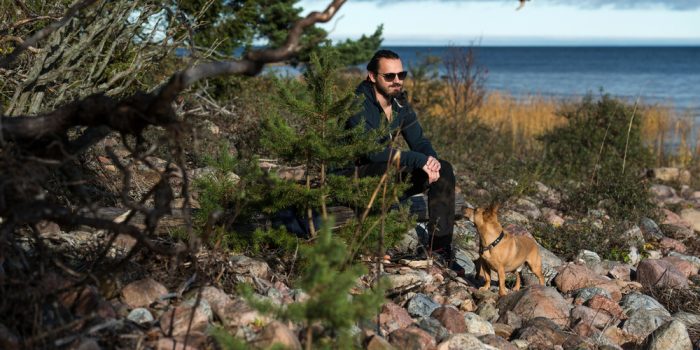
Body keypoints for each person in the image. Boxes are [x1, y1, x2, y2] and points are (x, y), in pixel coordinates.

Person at [346, 49, 457, 266]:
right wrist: (418, 160)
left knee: (444, 169)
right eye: (389, 76)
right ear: (372, 76)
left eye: (401, 75)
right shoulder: (358, 103)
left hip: (380, 173)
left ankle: (439, 249)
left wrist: (431, 162)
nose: (397, 81)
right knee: (391, 169)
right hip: (351, 177)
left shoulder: (399, 104)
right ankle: (372, 245)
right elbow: (370, 151)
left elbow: (420, 142)